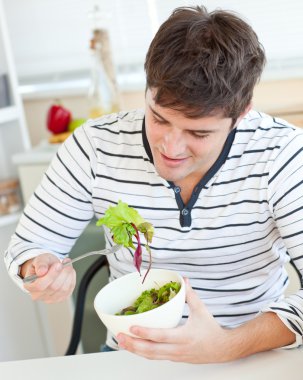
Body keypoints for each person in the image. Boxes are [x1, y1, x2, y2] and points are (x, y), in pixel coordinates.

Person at [4, 5, 303, 363]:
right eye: (159, 118)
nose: (170, 148)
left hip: (251, 355)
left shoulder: (284, 155)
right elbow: (28, 247)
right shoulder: (96, 145)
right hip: (131, 357)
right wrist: (37, 268)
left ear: (242, 113)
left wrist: (227, 345)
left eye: (198, 133)